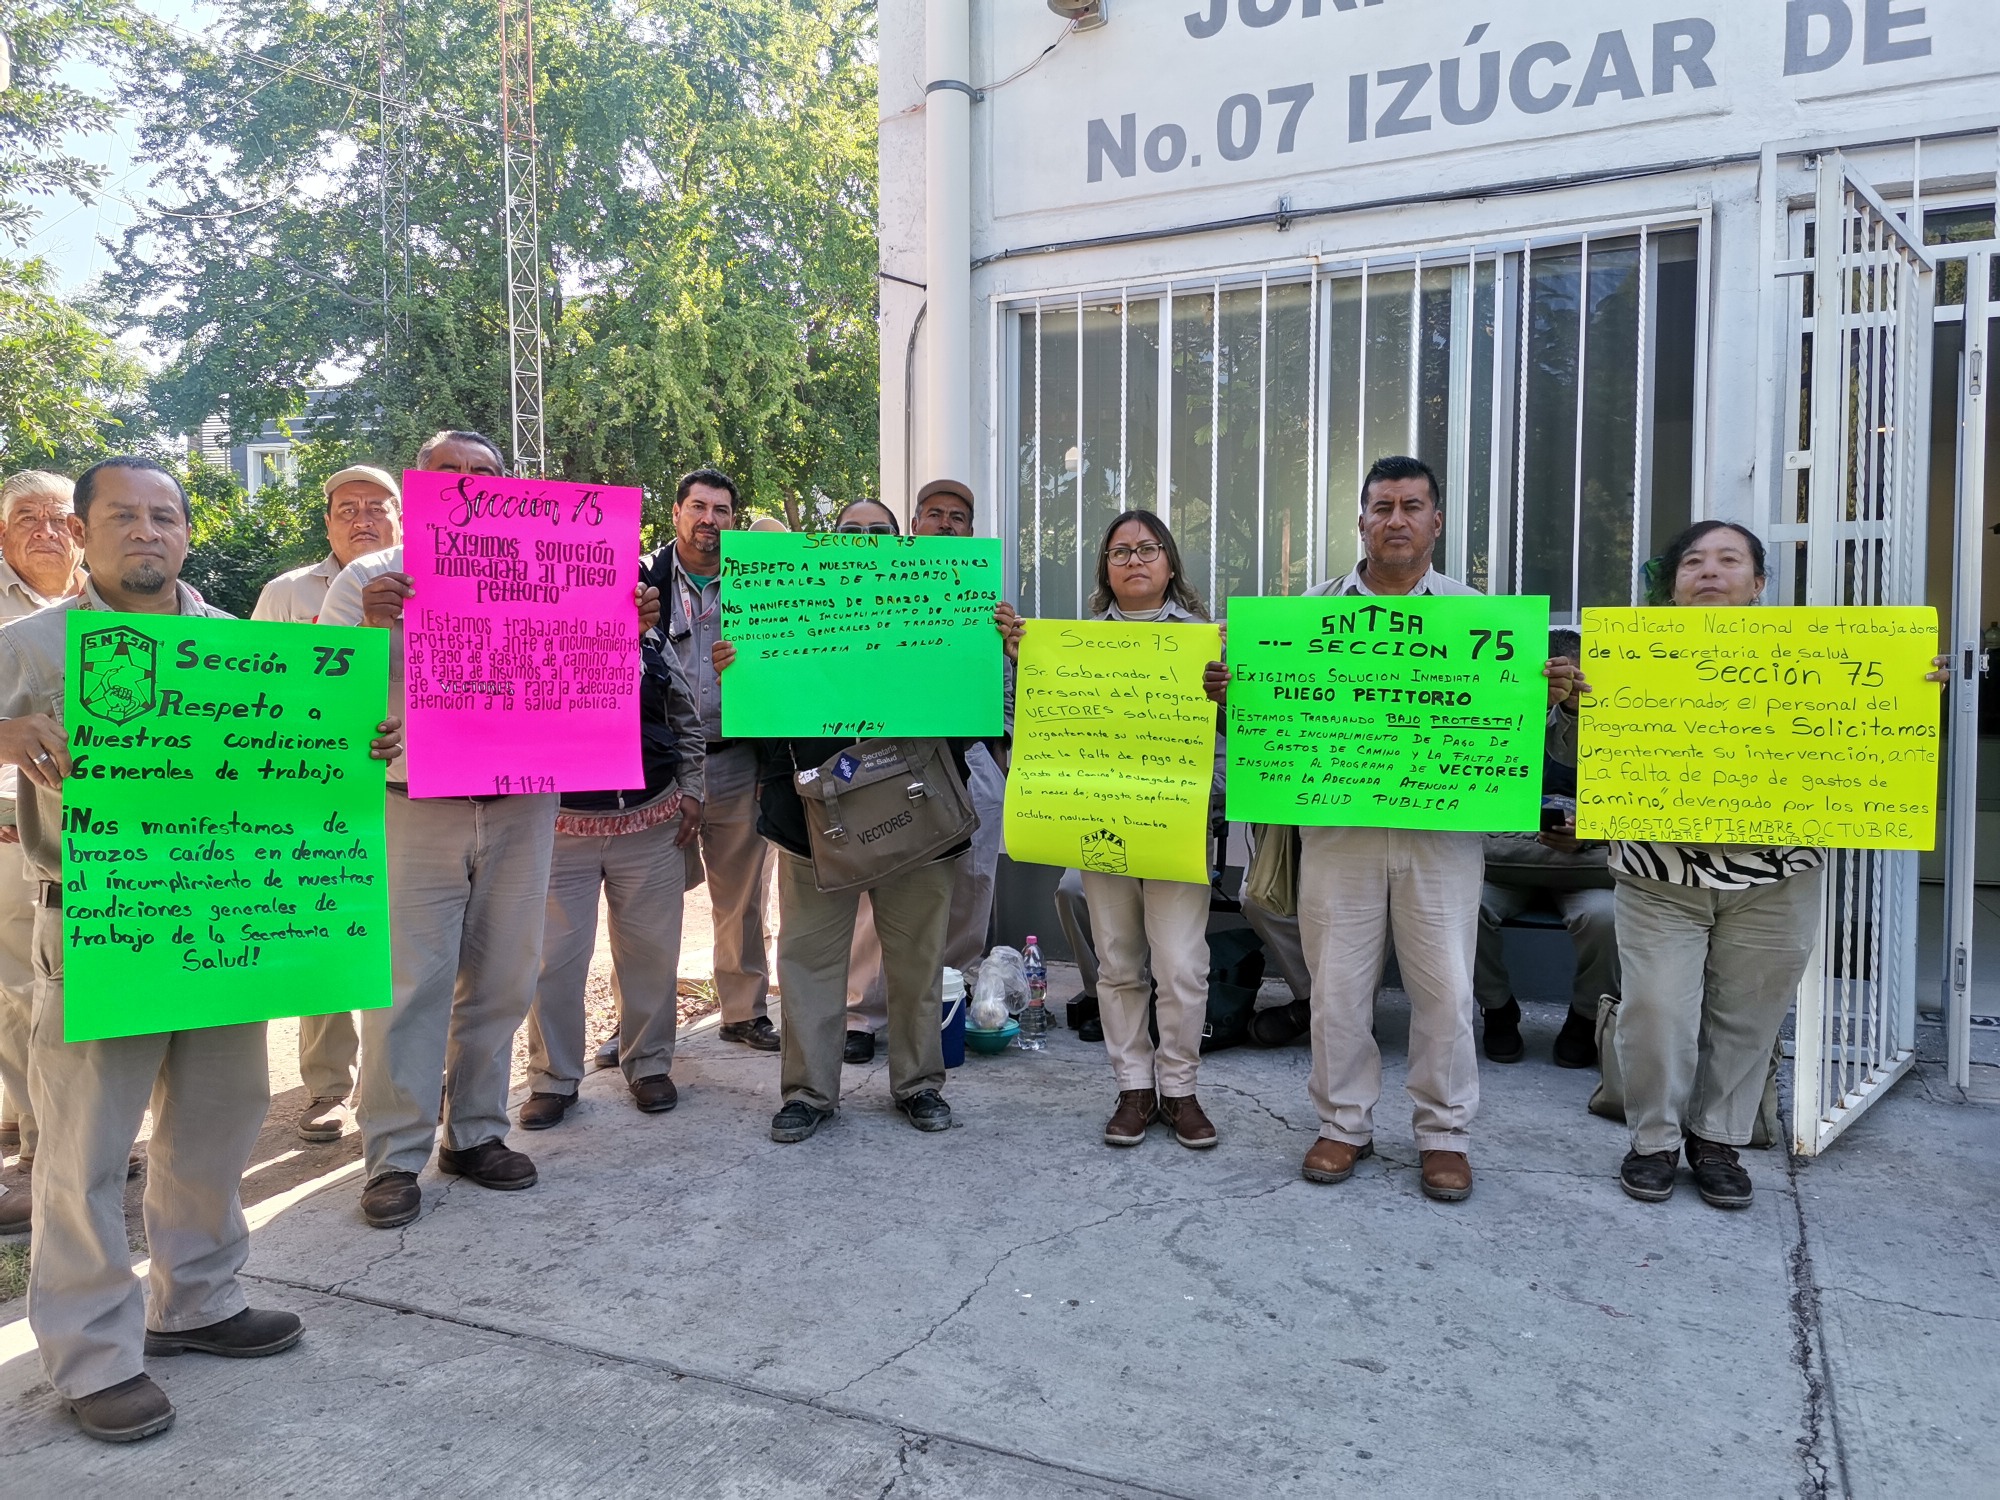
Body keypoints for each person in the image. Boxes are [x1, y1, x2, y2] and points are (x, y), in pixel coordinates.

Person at [0, 456, 401, 1441]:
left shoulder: (245, 649)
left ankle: (199, 1301)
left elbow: (294, 763)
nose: (146, 532)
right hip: (105, 925)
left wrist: (361, 743)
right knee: (88, 1150)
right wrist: (7, 734)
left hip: (233, 917)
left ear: (187, 534)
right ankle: (93, 1355)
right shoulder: (37, 643)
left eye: (164, 517)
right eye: (122, 517)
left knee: (218, 1122)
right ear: (82, 533)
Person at [1203, 455, 1585, 1202]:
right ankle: (1342, 1124)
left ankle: (1444, 1134)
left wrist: (1556, 697)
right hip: (1339, 830)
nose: (1397, 520)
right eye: (1382, 507)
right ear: (1362, 522)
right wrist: (1230, 696)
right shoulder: (1306, 617)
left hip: (1441, 835)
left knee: (1444, 988)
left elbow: (1510, 737)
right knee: (1337, 986)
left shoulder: (1482, 620)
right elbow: (1271, 728)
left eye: (1413, 506)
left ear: (1436, 522)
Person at [321, 430, 661, 1229]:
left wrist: (632, 620)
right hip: (414, 806)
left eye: (486, 473)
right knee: (412, 988)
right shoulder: (372, 580)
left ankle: (474, 1133)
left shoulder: (560, 565)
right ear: (421, 485)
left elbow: (609, 681)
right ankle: (394, 1157)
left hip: (523, 801)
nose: (470, 484)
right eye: (451, 473)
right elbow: (324, 704)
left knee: (505, 975)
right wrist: (373, 632)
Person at [1602, 521, 1945, 1209]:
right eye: (1693, 561)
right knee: (1658, 1012)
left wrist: (1909, 692)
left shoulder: (1816, 659)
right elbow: (1581, 755)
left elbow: (1866, 740)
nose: (1709, 571)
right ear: (1672, 586)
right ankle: (1653, 1142)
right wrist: (1570, 701)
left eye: (1729, 560)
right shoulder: (1629, 658)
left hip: (1778, 876)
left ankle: (1717, 1140)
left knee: (1750, 1018)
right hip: (1658, 874)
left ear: (1758, 584)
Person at [714, 499, 964, 1142]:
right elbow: (762, 722)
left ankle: (918, 1085)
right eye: (849, 531)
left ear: (900, 542)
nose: (862, 541)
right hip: (810, 820)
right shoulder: (793, 602)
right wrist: (742, 671)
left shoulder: (940, 605)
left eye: (876, 532)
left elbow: (967, 716)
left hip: (915, 817)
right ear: (829, 542)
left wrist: (987, 640)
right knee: (808, 964)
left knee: (916, 965)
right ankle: (807, 1092)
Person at [997, 509, 1223, 1150]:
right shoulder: (1068, 645)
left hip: (1176, 825)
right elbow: (1026, 726)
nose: (1134, 560)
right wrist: (1020, 660)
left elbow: (1233, 735)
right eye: (1120, 551)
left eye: (1147, 549)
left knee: (1181, 967)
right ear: (1106, 568)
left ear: (1170, 563)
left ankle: (1179, 1090)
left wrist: (1209, 794)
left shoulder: (1209, 641)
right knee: (1120, 962)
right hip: (1103, 825)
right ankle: (1133, 1087)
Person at [251, 464, 404, 1143]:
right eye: (347, 508)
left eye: (378, 505)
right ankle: (328, 1087)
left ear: (402, 516)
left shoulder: (433, 580)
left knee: (402, 942)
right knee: (327, 939)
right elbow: (257, 686)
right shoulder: (286, 594)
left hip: (403, 789)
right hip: (315, 792)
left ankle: (397, 1080)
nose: (363, 517)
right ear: (327, 523)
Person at [842, 481, 1008, 1065]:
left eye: (957, 517)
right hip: (887, 757)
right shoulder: (868, 585)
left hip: (970, 758)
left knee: (970, 883)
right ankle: (862, 1013)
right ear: (914, 525)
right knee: (874, 885)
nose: (944, 524)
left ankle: (951, 1002)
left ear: (970, 531)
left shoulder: (988, 601)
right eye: (933, 514)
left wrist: (1010, 647)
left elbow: (1006, 692)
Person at [520, 625, 705, 1126]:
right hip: (559, 828)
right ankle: (553, 1078)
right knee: (552, 961)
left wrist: (693, 787)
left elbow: (683, 716)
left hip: (651, 821)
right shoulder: (521, 626)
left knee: (651, 953)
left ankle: (648, 1064)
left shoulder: (648, 632)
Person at [641, 471, 780, 1052]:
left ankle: (743, 1010)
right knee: (645, 897)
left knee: (742, 893)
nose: (709, 520)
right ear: (675, 513)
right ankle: (641, 1025)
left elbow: (793, 661)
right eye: (697, 507)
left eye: (721, 510)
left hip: (737, 757)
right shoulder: (640, 580)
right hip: (662, 764)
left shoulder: (762, 581)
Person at [0, 470, 85, 1237]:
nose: (47, 530)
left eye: (61, 517)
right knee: (22, 997)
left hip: (153, 871)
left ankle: (75, 1144)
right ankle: (37, 1159)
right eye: (27, 517)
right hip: (16, 839)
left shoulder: (190, 622)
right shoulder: (16, 634)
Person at [1473, 626, 1618, 1069]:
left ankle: (1584, 1016)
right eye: (1556, 681)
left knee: (1606, 918)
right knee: (1457, 904)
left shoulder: (1626, 722)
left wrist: (1591, 832)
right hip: (1507, 861)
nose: (1565, 691)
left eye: (1575, 681)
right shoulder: (1488, 715)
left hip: (1586, 863)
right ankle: (1498, 1008)